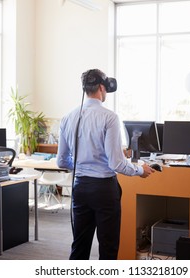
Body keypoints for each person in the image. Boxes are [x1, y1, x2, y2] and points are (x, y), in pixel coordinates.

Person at [57, 69, 155, 260]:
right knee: (108, 247)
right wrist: (139, 170)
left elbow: (61, 160)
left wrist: (81, 164)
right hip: (103, 190)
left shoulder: (68, 117)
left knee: (79, 245)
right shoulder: (109, 117)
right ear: (102, 88)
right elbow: (116, 163)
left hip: (80, 188)